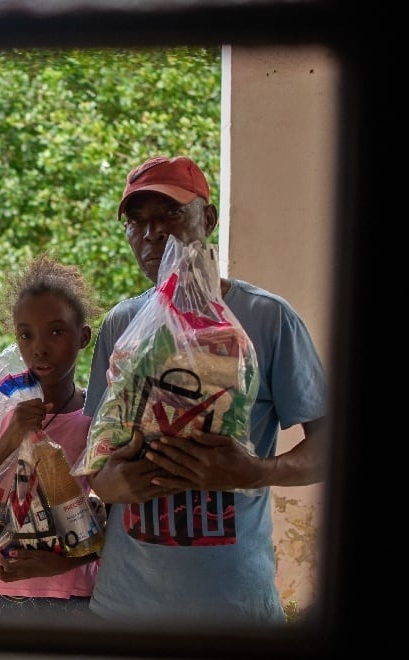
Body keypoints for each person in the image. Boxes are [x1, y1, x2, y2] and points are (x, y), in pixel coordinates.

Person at [83, 154, 327, 625]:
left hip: (235, 614)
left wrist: (255, 471)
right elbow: (98, 461)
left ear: (207, 218)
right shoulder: (122, 326)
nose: (151, 233)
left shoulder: (268, 319)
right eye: (137, 222)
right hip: (124, 613)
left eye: (170, 214)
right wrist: (109, 486)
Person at [0, 254, 101, 619]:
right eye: (25, 334)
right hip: (0, 597)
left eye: (56, 331)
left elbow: (113, 527)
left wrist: (57, 564)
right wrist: (10, 439)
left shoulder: (95, 418)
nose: (39, 347)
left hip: (74, 598)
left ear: (83, 336)